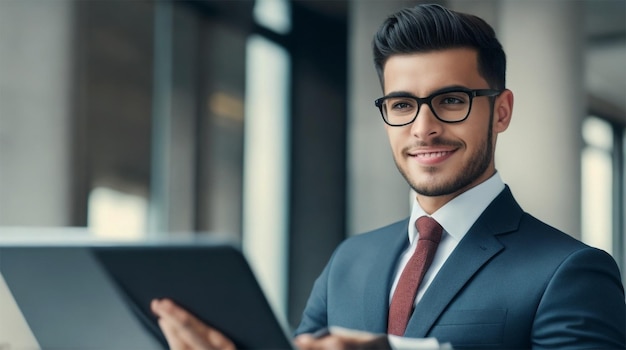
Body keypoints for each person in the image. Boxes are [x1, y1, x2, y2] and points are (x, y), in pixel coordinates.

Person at [151, 4, 626, 349]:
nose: (423, 127)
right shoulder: (349, 262)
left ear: (500, 111)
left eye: (452, 100)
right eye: (402, 105)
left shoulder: (569, 272)